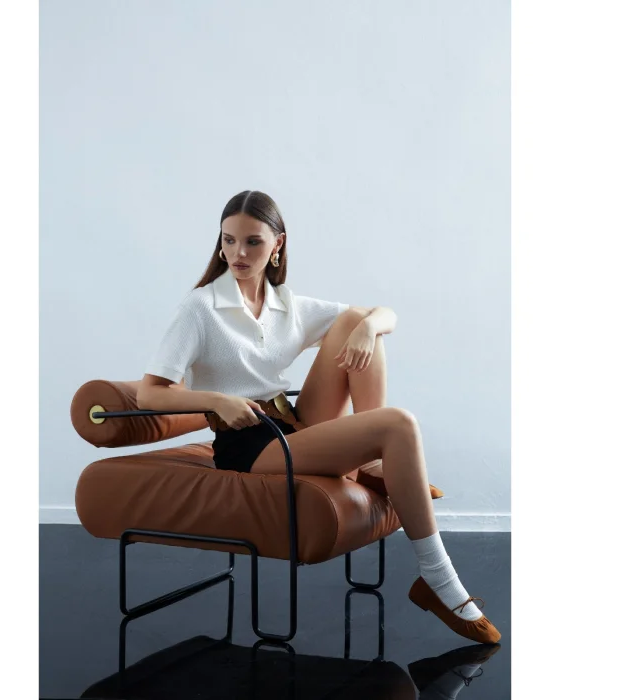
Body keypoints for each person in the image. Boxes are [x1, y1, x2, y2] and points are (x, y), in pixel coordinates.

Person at [137, 190, 501, 645]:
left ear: (278, 244)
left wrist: (368, 327)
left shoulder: (284, 304)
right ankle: (437, 577)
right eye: (228, 241)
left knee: (354, 323)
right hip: (247, 443)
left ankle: (376, 466)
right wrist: (217, 400)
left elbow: (384, 314)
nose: (238, 253)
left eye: (252, 242)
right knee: (399, 424)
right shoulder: (201, 308)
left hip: (291, 423)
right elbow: (150, 392)